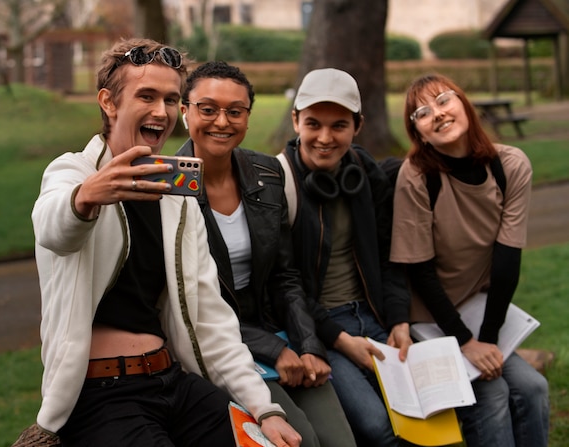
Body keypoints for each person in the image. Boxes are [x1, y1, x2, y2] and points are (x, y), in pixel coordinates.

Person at [20, 38, 301, 447]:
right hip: (104, 395)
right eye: (146, 96)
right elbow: (52, 230)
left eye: (171, 99)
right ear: (108, 102)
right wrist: (86, 197)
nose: (161, 112)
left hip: (173, 381)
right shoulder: (72, 173)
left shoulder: (176, 198)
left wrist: (264, 408)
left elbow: (210, 319)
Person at [176, 61, 356, 447]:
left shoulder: (267, 173)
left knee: (341, 442)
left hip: (279, 330)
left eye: (235, 111)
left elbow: (285, 275)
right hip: (219, 344)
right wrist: (273, 350)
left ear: (247, 116)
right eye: (207, 109)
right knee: (300, 440)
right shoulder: (169, 188)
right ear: (183, 110)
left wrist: (307, 346)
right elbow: (188, 305)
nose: (221, 121)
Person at [390, 72, 549, 447]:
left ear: (463, 103)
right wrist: (466, 342)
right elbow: (420, 271)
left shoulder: (510, 165)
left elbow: (508, 260)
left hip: (478, 307)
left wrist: (488, 340)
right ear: (420, 133)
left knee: (534, 388)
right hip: (430, 315)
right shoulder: (416, 176)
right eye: (423, 113)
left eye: (444, 100)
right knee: (491, 397)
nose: (438, 114)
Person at [276, 68, 412, 446]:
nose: (324, 137)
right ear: (295, 121)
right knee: (377, 427)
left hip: (372, 314)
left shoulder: (367, 175)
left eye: (339, 126)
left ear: (358, 126)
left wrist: (400, 319)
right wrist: (338, 339)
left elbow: (389, 258)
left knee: (422, 416)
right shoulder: (277, 182)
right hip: (320, 327)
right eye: (313, 124)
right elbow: (283, 283)